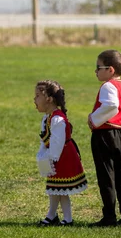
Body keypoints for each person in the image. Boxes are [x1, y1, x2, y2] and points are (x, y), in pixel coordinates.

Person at [88, 50, 121, 227]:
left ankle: (109, 216)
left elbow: (111, 105)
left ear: (111, 70)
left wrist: (93, 119)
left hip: (105, 134)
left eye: (99, 67)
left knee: (106, 177)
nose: (96, 71)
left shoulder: (108, 86)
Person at [34, 80, 87, 226]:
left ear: (49, 99)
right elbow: (46, 139)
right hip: (54, 157)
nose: (34, 100)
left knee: (58, 189)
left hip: (62, 159)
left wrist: (49, 158)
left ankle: (57, 216)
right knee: (57, 190)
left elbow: (57, 144)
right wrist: (42, 154)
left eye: (38, 96)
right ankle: (61, 217)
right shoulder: (48, 118)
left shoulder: (57, 119)